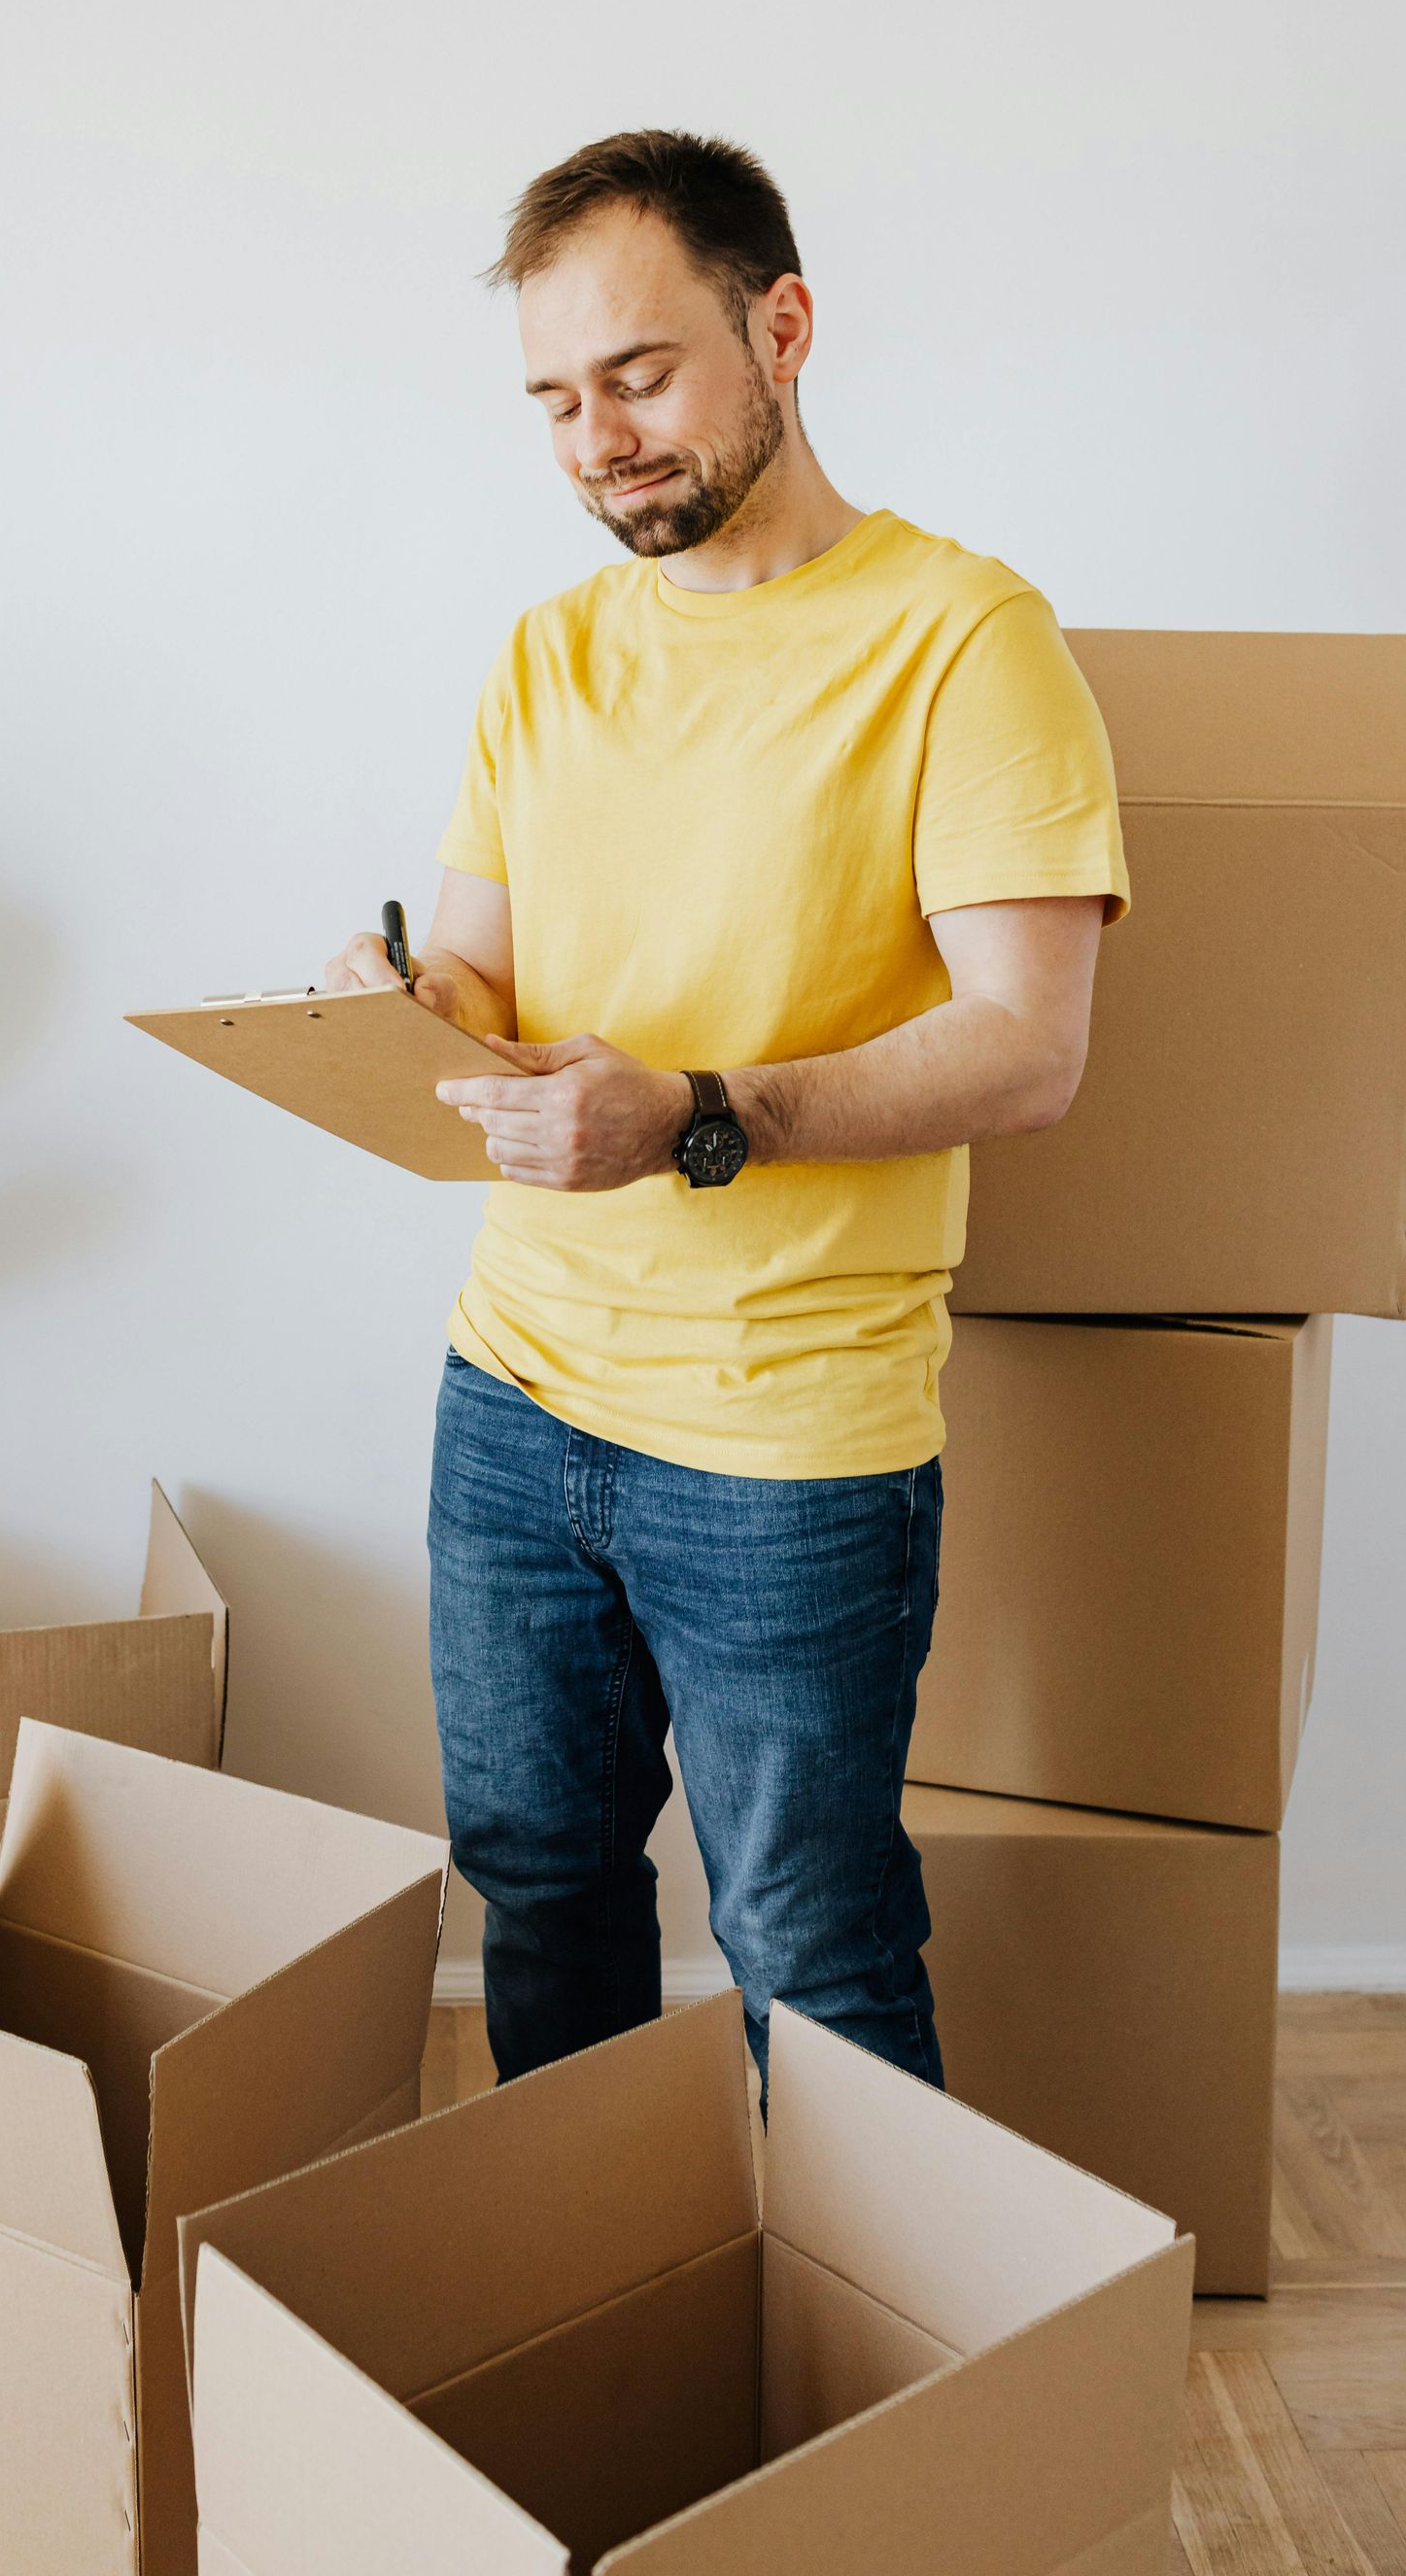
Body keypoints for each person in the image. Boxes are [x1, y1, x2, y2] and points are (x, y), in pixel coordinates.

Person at [324, 129, 1127, 2097]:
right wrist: (388, 1002)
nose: (597, 437)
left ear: (782, 327)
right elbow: (490, 990)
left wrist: (691, 1111)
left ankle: (882, 2394)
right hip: (513, 1400)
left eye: (641, 372)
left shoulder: (966, 640)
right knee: (538, 1877)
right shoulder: (550, 651)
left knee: (811, 1945)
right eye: (554, 399)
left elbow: (1030, 1044)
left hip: (785, 1444)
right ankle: (595, 2325)